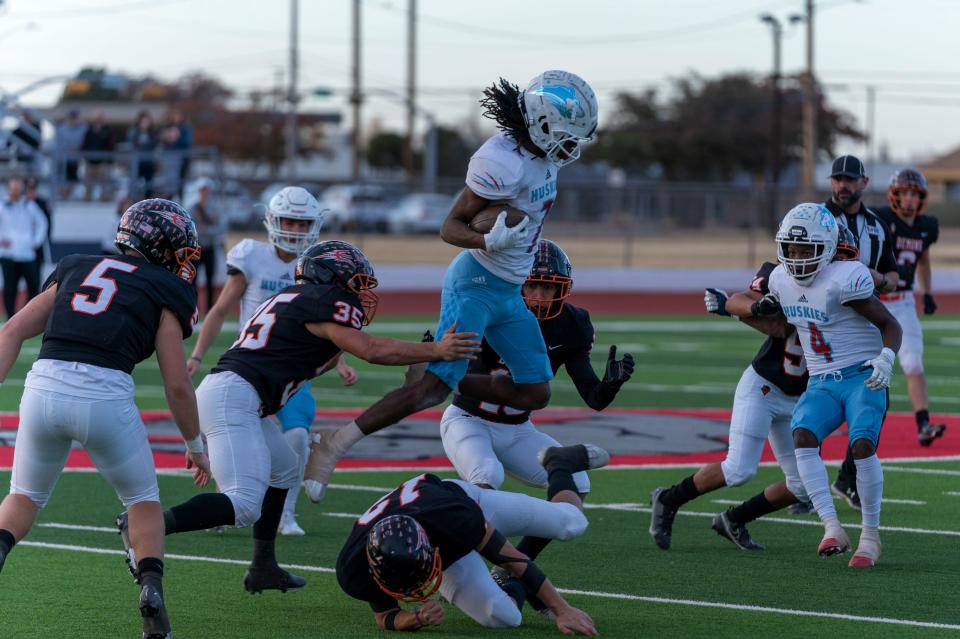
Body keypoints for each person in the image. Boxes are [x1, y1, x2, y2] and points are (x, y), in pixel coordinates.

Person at [118, 240, 481, 596]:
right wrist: (436, 350)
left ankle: (263, 567)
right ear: (332, 280)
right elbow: (369, 349)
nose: (361, 294)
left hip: (233, 396)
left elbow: (309, 363)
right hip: (235, 397)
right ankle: (147, 524)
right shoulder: (323, 302)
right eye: (356, 283)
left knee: (287, 467)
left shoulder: (293, 301)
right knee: (243, 503)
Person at [304, 70, 599, 503]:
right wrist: (488, 236)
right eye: (568, 135)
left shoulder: (541, 154)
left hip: (507, 290)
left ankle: (440, 372)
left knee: (536, 391)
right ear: (541, 125)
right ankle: (336, 442)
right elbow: (450, 227)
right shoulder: (501, 162)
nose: (571, 147)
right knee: (431, 391)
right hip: (475, 283)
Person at [0, 198, 210, 639]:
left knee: (21, 500)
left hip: (43, 388)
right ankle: (152, 596)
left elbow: (12, 330)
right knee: (143, 503)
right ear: (162, 246)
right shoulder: (165, 289)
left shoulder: (75, 265)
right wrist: (195, 445)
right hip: (105, 397)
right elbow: (176, 383)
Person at [439, 239, 631, 610]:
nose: (541, 295)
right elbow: (459, 380)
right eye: (533, 285)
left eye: (549, 287)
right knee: (486, 477)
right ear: (517, 284)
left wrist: (610, 386)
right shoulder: (489, 309)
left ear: (564, 289)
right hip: (469, 419)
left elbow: (593, 396)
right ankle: (449, 563)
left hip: (517, 429)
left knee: (577, 482)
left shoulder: (572, 323)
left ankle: (513, 572)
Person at [649, 228, 861, 552]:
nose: (840, 263)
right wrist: (737, 308)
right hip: (764, 387)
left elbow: (781, 324)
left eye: (846, 257)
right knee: (738, 470)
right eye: (837, 255)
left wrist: (732, 311)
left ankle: (734, 519)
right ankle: (668, 498)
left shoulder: (854, 301)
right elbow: (758, 311)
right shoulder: (786, 279)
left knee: (804, 486)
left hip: (804, 398)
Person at [186, 185, 349, 537]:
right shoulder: (252, 256)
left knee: (296, 438)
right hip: (251, 368)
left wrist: (342, 360)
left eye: (302, 223)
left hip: (292, 373)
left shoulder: (318, 264)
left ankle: (285, 515)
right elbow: (220, 309)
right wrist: (198, 354)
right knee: (240, 436)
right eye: (288, 221)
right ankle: (226, 498)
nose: (294, 230)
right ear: (273, 220)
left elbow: (329, 326)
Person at [754, 202, 901, 568]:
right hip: (821, 380)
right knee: (802, 435)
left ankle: (870, 536)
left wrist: (886, 358)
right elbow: (779, 318)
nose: (800, 258)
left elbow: (890, 324)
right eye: (793, 249)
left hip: (860, 375)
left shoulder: (844, 278)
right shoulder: (780, 280)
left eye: (808, 250)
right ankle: (831, 526)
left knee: (863, 443)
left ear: (830, 250)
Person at [336, 446, 601, 634]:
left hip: (461, 501)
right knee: (503, 617)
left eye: (419, 576)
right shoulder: (353, 568)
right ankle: (510, 584)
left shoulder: (453, 518)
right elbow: (384, 617)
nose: (415, 589)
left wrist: (561, 609)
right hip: (433, 536)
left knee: (571, 524)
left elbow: (509, 557)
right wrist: (416, 618)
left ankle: (559, 463)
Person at [823, 154, 900, 512]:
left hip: (866, 323)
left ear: (864, 182)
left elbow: (894, 276)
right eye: (838, 179)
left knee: (874, 399)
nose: (843, 185)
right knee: (805, 401)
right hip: (825, 322)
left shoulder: (878, 225)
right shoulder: (819, 218)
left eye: (849, 179)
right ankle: (799, 483)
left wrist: (874, 277)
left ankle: (846, 476)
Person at [873, 169, 946, 446]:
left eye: (914, 194)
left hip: (903, 302)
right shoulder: (879, 219)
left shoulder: (926, 226)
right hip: (874, 301)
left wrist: (926, 292)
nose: (909, 199)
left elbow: (923, 259)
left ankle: (923, 424)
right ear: (893, 194)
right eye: (903, 192)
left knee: (913, 362)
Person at [0, 177, 48, 318]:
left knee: (33, 285)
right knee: (10, 287)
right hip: (8, 253)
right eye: (13, 186)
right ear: (8, 188)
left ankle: (28, 317)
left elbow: (42, 224)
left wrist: (36, 242)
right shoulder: (2, 205)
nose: (15, 189)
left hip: (27, 253)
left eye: (18, 186)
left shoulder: (29, 205)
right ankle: (11, 317)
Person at [188, 177, 223, 312]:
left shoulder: (215, 208)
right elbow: (191, 229)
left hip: (209, 248)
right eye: (202, 190)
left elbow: (220, 229)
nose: (204, 192)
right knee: (193, 280)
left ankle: (209, 310)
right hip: (196, 249)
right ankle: (192, 308)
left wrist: (205, 230)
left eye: (206, 190)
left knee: (210, 281)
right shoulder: (192, 207)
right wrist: (206, 230)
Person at [80, 109, 115, 201]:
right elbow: (84, 144)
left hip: (103, 162)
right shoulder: (89, 129)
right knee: (88, 184)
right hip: (90, 161)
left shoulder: (108, 130)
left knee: (105, 183)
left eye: (100, 116)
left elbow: (111, 145)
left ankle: (105, 199)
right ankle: (87, 199)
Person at [54, 109, 87, 195]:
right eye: (72, 117)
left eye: (75, 117)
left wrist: (78, 148)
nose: (73, 119)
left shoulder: (83, 128)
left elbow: (85, 142)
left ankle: (69, 194)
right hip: (63, 160)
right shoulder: (61, 129)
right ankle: (62, 194)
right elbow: (58, 144)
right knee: (62, 180)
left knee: (74, 180)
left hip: (76, 160)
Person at [127, 110, 157, 198]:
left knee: (149, 184)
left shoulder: (152, 133)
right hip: (137, 163)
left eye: (147, 121)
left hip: (149, 162)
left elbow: (154, 144)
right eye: (143, 122)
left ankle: (148, 200)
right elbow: (134, 144)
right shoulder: (134, 132)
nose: (145, 124)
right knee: (134, 183)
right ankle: (133, 200)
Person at [24, 177, 52, 266]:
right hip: (23, 240)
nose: (31, 191)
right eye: (29, 188)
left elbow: (48, 222)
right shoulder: (21, 202)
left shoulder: (42, 203)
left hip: (37, 241)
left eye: (33, 188)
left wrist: (46, 236)